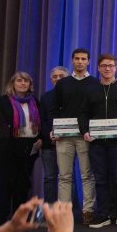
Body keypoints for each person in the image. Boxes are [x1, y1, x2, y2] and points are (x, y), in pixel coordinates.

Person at [82, 54, 117, 229]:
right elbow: (83, 114)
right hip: (97, 143)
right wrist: (85, 131)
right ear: (98, 68)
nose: (107, 68)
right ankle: (103, 214)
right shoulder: (90, 90)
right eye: (104, 65)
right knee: (100, 179)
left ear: (116, 68)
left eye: (111, 65)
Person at [50, 48, 98, 226]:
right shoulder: (63, 83)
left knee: (87, 174)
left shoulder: (95, 83)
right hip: (64, 136)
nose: (79, 61)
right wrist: (55, 129)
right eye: (76, 58)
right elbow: (54, 108)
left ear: (88, 62)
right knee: (64, 176)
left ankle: (88, 211)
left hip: (86, 136)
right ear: (72, 61)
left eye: (83, 59)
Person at [0, 72, 43, 225]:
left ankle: (20, 215)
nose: (22, 84)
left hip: (29, 147)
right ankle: (2, 216)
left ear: (30, 85)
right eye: (19, 81)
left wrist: (40, 139)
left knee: (23, 184)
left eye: (26, 81)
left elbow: (41, 124)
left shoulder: (35, 102)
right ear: (13, 83)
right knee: (7, 183)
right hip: (9, 147)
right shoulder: (2, 102)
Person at [39, 66, 70, 204]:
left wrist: (63, 134)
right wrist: (49, 134)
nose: (58, 79)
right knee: (49, 177)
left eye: (61, 76)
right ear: (51, 79)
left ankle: (67, 209)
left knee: (67, 177)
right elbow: (42, 120)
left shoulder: (73, 95)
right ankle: (49, 208)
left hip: (68, 142)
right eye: (55, 76)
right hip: (49, 143)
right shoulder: (45, 97)